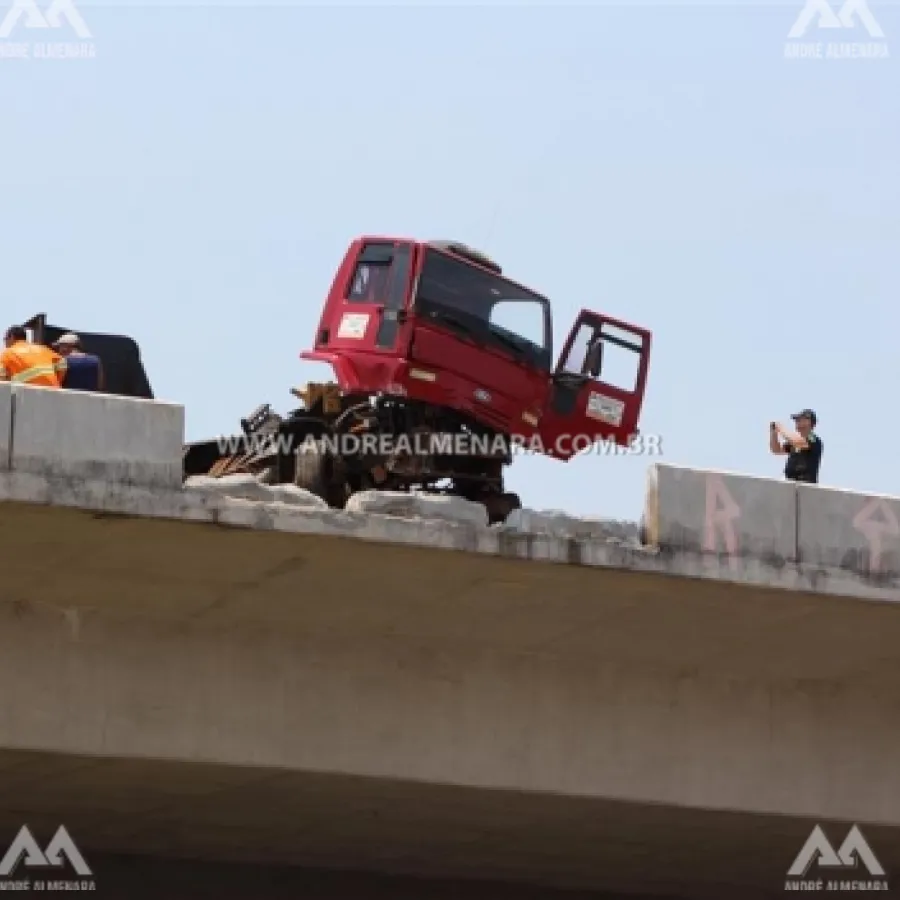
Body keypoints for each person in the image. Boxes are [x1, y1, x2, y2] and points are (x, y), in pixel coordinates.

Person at [0, 325, 67, 387]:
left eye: (5, 339)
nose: (5, 342)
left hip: (28, 394)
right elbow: (62, 363)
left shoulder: (7, 353)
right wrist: (58, 380)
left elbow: (1, 378)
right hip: (54, 391)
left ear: (12, 337)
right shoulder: (43, 349)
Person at [770, 408, 823, 484]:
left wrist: (781, 428)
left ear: (809, 422)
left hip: (805, 485)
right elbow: (776, 450)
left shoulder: (812, 438)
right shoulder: (795, 441)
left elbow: (798, 442)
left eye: (800, 419)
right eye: (796, 420)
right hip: (790, 483)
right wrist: (774, 433)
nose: (797, 422)